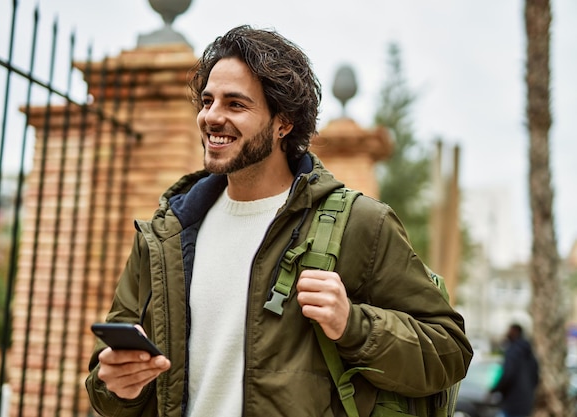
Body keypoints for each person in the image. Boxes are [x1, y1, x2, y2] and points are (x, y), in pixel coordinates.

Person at [85, 25, 473, 417]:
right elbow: (105, 384)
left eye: (235, 104)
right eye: (207, 101)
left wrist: (353, 324)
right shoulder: (166, 233)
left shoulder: (361, 224)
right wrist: (117, 384)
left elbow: (449, 351)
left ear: (283, 122)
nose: (212, 117)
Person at [490, 324, 539, 417]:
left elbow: (507, 375)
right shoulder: (530, 354)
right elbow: (536, 378)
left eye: (510, 330)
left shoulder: (512, 352)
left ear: (516, 332)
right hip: (527, 403)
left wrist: (494, 390)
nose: (507, 333)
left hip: (511, 404)